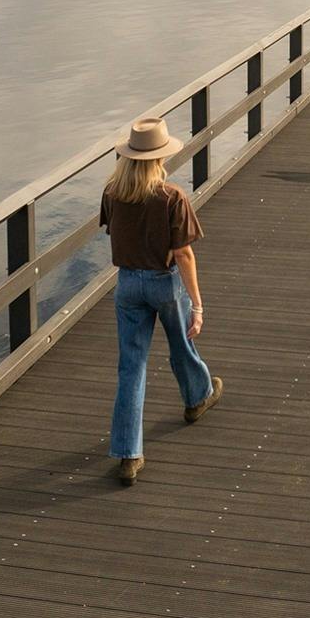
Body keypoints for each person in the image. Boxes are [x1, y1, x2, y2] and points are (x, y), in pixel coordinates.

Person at [99, 116, 223, 485]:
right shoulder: (171, 197)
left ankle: (128, 454)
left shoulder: (111, 193)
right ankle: (197, 398)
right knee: (181, 343)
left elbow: (114, 231)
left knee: (131, 369)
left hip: (127, 285)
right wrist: (198, 306)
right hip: (163, 283)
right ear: (158, 158)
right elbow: (183, 254)